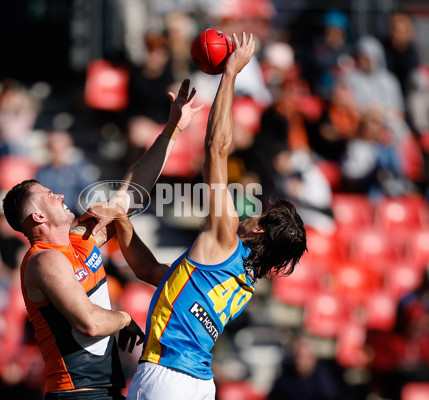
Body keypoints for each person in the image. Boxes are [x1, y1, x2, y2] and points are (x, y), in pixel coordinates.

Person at [83, 33, 307, 400]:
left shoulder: (225, 239)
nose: (253, 213)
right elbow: (150, 272)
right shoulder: (243, 281)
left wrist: (229, 74)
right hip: (199, 383)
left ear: (262, 228)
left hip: (168, 375)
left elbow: (216, 149)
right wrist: (122, 219)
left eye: (261, 215)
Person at [1, 78, 203, 400]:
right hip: (76, 393)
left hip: (105, 390)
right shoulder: (43, 261)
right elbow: (90, 323)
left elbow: (131, 193)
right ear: (37, 217)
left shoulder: (82, 237)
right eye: (51, 196)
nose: (61, 195)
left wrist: (173, 129)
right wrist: (125, 319)